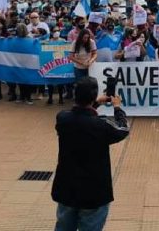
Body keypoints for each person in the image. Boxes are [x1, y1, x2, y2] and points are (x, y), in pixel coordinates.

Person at [52, 77, 129, 231]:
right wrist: (117, 107)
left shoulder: (63, 119)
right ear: (92, 96)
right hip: (93, 192)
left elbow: (79, 114)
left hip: (67, 188)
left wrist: (96, 103)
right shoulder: (101, 126)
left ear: (75, 95)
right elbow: (123, 129)